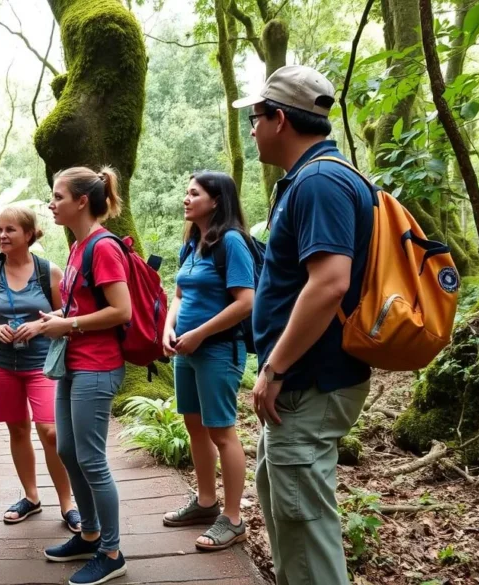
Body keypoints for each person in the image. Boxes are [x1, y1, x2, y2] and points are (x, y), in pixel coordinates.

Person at [233, 65, 373, 584]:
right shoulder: (317, 178)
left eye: (255, 117)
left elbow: (330, 282)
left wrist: (274, 367)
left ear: (279, 120)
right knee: (287, 509)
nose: (252, 129)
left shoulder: (318, 181)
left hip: (310, 379)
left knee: (303, 522)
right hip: (306, 382)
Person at [38, 166, 131, 585]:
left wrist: (68, 326)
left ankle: (111, 552)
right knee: (67, 451)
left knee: (92, 459)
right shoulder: (77, 248)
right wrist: (59, 318)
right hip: (73, 363)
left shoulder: (103, 246)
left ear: (80, 202)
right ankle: (90, 532)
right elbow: (83, 306)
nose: (51, 203)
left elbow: (120, 311)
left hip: (98, 366)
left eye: (58, 196)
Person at [0, 206, 81, 532]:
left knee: (51, 431)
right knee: (17, 430)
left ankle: (68, 502)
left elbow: (67, 311)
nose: (2, 235)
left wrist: (39, 326)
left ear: (28, 234)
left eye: (10, 230)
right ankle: (31, 498)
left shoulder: (50, 272)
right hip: (1, 364)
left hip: (43, 364)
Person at [161, 172, 254, 551]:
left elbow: (246, 301)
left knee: (221, 431)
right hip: (186, 351)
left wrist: (200, 333)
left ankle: (232, 518)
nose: (186, 199)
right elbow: (179, 294)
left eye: (194, 193)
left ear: (216, 201)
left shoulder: (231, 242)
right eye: (186, 192)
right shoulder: (194, 243)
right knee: (195, 427)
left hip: (218, 350)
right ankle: (204, 502)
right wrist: (168, 327)